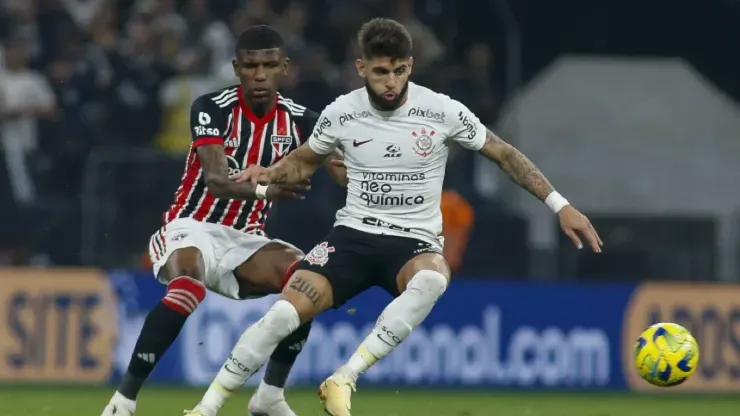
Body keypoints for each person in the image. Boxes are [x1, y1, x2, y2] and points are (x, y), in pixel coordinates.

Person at [186, 18, 603, 416]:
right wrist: (270, 173)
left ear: (411, 67)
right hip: (352, 236)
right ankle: (208, 406)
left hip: (412, 242)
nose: (390, 82)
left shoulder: (442, 111)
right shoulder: (341, 113)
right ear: (361, 67)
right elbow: (305, 160)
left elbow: (504, 154)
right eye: (381, 71)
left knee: (432, 278)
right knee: (282, 314)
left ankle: (344, 378)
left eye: (399, 71)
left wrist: (560, 205)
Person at [101, 26, 347, 416]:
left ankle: (269, 397)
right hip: (191, 225)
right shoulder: (211, 107)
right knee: (188, 288)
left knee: (308, 280)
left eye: (269, 65)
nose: (260, 74)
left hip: (246, 240)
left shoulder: (304, 121)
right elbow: (216, 182)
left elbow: (342, 169)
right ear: (237, 68)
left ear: (285, 68)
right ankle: (124, 401)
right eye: (251, 66)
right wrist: (267, 189)